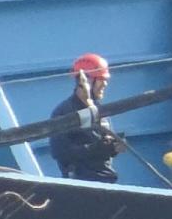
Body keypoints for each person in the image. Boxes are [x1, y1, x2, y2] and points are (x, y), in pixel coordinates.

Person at [50, 53, 125, 183]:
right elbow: (60, 152)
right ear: (85, 80)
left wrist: (113, 147)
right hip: (82, 184)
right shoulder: (65, 112)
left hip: (106, 181)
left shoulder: (97, 109)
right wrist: (97, 148)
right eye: (101, 79)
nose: (105, 84)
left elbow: (102, 144)